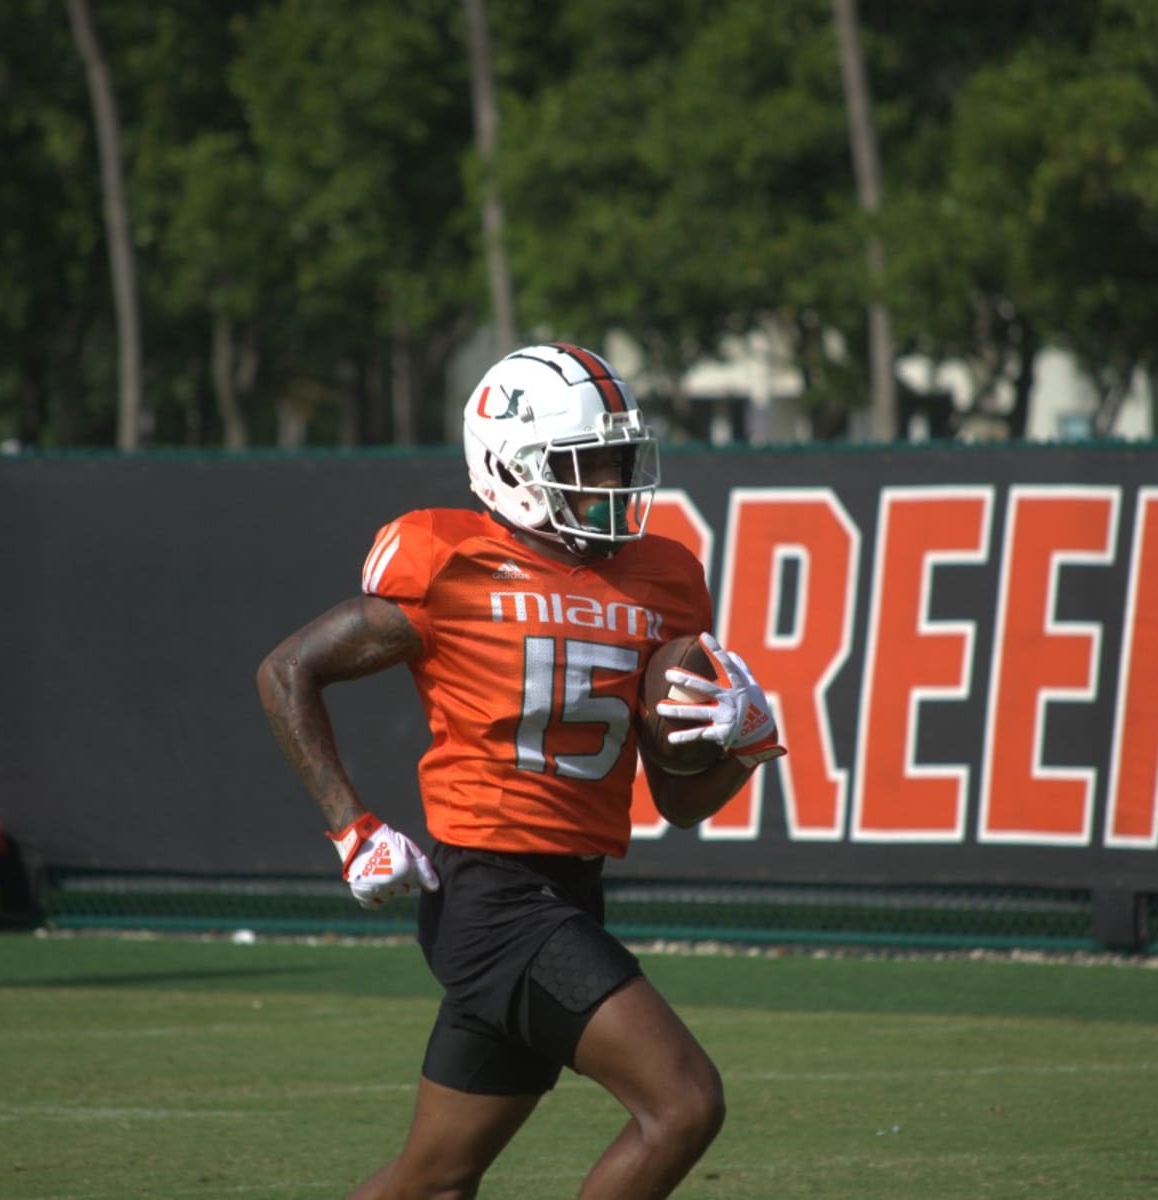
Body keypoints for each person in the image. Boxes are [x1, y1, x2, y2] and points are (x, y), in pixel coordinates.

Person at [256, 342, 786, 1200]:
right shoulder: (449, 559)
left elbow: (681, 802)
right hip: (492, 898)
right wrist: (352, 826)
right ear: (510, 466)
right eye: (588, 462)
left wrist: (747, 748)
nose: (613, 480)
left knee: (432, 1181)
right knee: (683, 1104)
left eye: (620, 458)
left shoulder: (665, 579)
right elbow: (286, 671)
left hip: (569, 889)